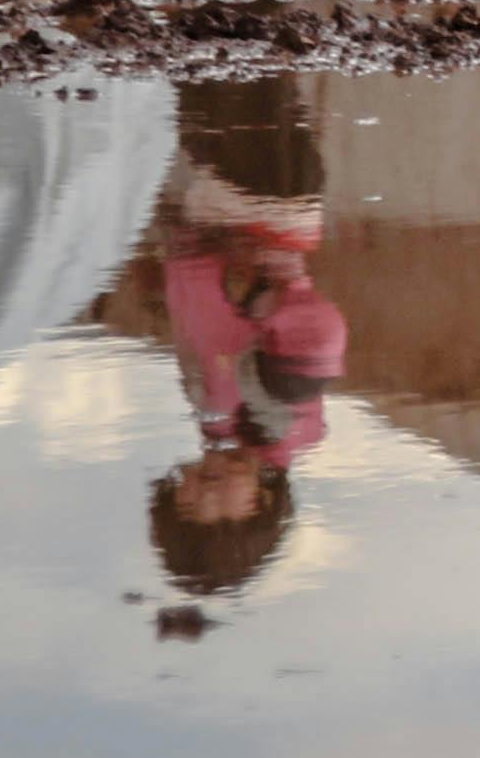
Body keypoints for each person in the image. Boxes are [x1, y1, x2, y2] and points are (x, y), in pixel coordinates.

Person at [144, 160, 344, 600]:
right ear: (265, 505)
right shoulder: (282, 422)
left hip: (206, 217)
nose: (209, 496)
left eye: (192, 507)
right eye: (226, 515)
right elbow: (319, 331)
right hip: (261, 209)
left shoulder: (217, 424)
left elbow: (195, 319)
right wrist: (263, 263)